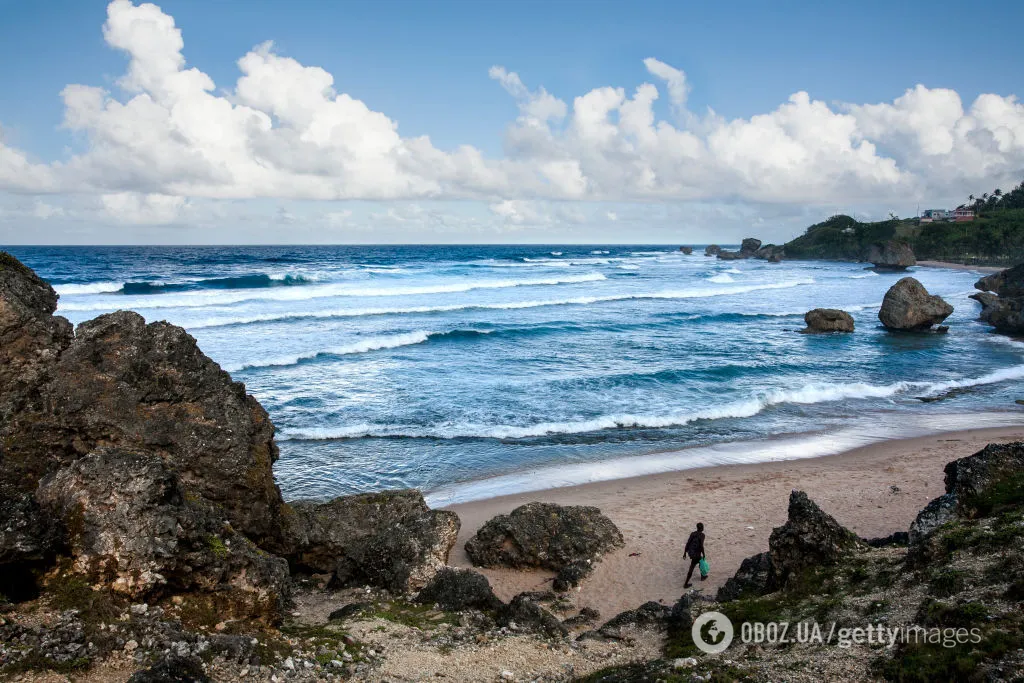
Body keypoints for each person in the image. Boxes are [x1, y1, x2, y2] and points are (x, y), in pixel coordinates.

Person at [683, 522, 706, 588]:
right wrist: (704, 554)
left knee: (699, 563)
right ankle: (686, 584)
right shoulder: (702, 535)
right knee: (695, 566)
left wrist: (684, 553)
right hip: (697, 554)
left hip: (691, 553)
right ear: (702, 528)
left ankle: (702, 576)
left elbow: (688, 543)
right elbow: (701, 546)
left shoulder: (693, 534)